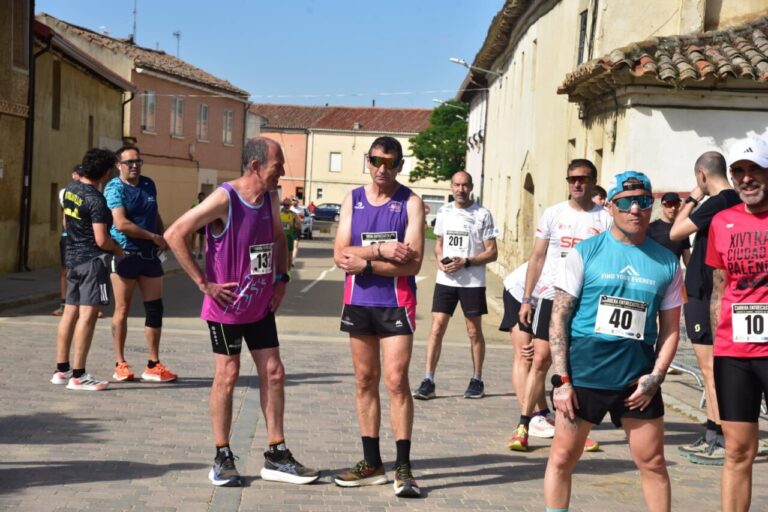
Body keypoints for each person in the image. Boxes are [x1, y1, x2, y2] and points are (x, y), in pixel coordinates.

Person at [164, 137, 318, 488]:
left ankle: (277, 454)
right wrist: (204, 283)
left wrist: (281, 278)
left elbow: (278, 239)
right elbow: (174, 234)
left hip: (261, 304)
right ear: (255, 166)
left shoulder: (270, 197)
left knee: (275, 372)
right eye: (277, 166)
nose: (282, 172)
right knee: (228, 375)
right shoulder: (224, 199)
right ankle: (222, 455)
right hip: (226, 309)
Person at [544, 171, 683, 512]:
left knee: (653, 463)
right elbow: (559, 317)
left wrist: (656, 376)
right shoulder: (585, 253)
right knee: (562, 457)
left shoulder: (666, 261)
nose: (635, 209)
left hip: (636, 379)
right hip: (585, 373)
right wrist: (562, 381)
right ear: (609, 206)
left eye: (644, 201)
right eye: (626, 202)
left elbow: (670, 330)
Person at [332, 136, 425, 498]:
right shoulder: (352, 200)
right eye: (376, 161)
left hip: (397, 303)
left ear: (400, 165)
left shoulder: (411, 203)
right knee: (364, 380)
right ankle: (372, 462)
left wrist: (366, 263)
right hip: (358, 302)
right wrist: (382, 249)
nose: (382, 169)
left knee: (396, 381)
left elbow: (414, 262)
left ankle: (404, 466)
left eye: (390, 162)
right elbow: (340, 254)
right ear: (367, 162)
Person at [509, 159, 611, 452]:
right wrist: (527, 299)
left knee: (576, 366)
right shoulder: (553, 214)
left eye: (583, 178)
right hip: (551, 297)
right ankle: (524, 425)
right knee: (540, 360)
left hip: (586, 302)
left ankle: (577, 429)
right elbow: (537, 257)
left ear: (593, 181)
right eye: (571, 179)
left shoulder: (604, 218)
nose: (576, 184)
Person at [706, 137, 768, 512]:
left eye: (754, 169)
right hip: (735, 352)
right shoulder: (720, 222)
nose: (746, 179)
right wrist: (719, 342)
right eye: (739, 172)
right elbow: (718, 288)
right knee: (738, 450)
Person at [669, 151, 741, 465]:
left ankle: (720, 434)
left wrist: (694, 196)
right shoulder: (735, 200)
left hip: (705, 290)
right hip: (711, 290)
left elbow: (676, 230)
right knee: (712, 367)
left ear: (701, 174)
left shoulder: (718, 201)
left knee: (710, 368)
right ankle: (713, 427)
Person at [413, 170, 498, 400]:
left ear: (471, 188)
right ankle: (428, 379)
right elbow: (439, 244)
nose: (460, 189)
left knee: (473, 331)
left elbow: (492, 252)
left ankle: (476, 378)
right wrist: (440, 260)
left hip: (472, 282)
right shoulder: (444, 211)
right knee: (437, 327)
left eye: (465, 185)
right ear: (451, 187)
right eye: (457, 185)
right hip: (447, 280)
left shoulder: (483, 214)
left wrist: (468, 261)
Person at [50, 148, 124, 391]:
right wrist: (118, 249)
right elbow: (102, 239)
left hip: (72, 259)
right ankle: (79, 375)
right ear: (105, 173)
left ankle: (61, 370)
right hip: (93, 262)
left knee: (70, 312)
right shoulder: (96, 199)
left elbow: (65, 223)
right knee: (88, 316)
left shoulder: (70, 191)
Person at [105, 145, 177, 383]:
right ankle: (120, 363)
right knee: (122, 309)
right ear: (119, 165)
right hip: (125, 253)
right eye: (129, 163)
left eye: (138, 161)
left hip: (150, 256)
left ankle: (153, 364)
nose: (135, 166)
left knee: (155, 309)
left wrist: (162, 234)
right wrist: (152, 236)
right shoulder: (114, 188)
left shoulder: (148, 184)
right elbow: (121, 223)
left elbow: (154, 213)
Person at [499, 262, 554, 439]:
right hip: (520, 294)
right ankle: (531, 418)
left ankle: (543, 412)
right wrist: (526, 300)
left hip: (545, 301)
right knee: (525, 355)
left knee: (541, 359)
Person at [53, 165, 83, 317]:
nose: (81, 177)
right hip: (68, 236)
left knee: (87, 270)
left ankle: (88, 305)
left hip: (85, 238)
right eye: (79, 174)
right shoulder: (65, 192)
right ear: (73, 175)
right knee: (66, 271)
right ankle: (64, 303)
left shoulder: (90, 192)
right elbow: (66, 216)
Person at [647, 192, 691, 266]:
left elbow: (687, 260)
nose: (673, 208)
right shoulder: (650, 228)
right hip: (656, 275)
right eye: (670, 204)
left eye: (676, 205)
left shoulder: (682, 230)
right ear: (662, 206)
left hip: (675, 275)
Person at [279, 197, 300, 270]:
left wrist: (295, 226)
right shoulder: (279, 214)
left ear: (290, 205)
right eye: (285, 205)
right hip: (280, 237)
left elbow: (298, 225)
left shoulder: (293, 214)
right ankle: (280, 271)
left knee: (289, 255)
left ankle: (288, 271)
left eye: (288, 205)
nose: (286, 206)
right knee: (280, 255)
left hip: (289, 237)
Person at [190, 192, 206, 258]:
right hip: (195, 222)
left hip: (203, 222)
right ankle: (193, 252)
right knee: (194, 237)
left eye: (202, 197)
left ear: (204, 197)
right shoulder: (195, 204)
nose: (201, 198)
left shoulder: (207, 204)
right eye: (200, 197)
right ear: (198, 197)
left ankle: (200, 253)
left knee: (202, 238)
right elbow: (191, 211)